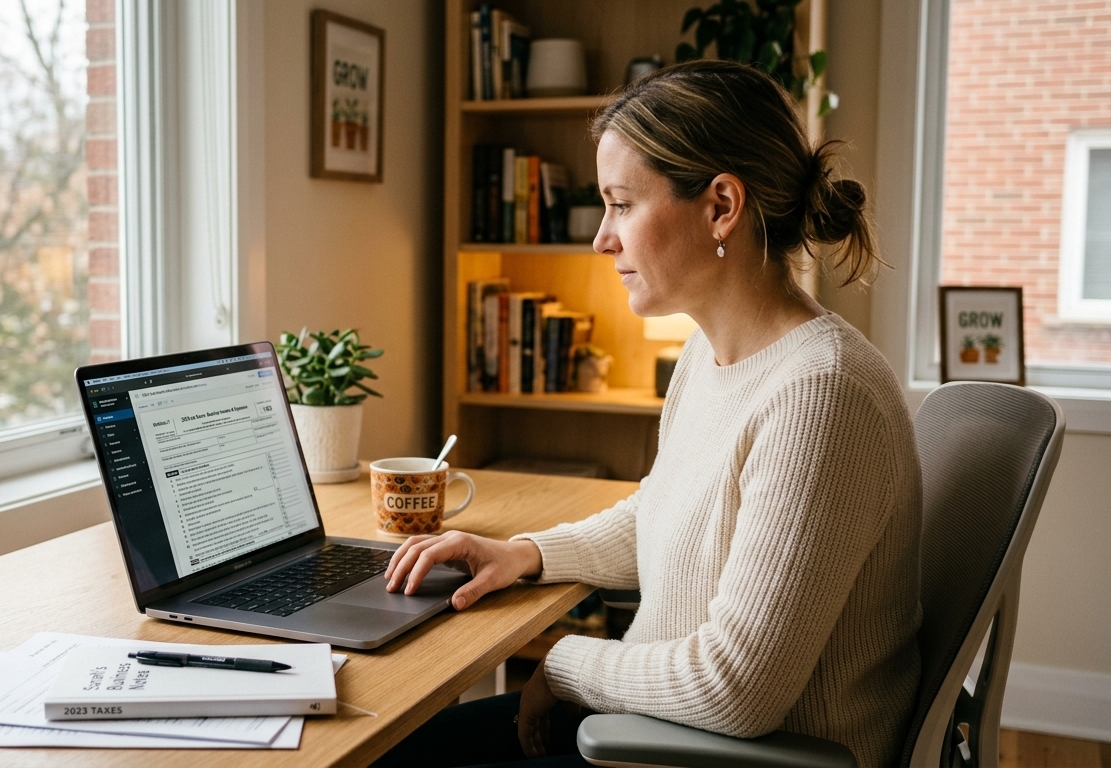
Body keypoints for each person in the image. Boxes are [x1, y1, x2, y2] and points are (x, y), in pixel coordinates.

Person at [375, 59, 922, 768]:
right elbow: (662, 514)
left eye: (623, 204)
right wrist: (524, 553)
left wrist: (568, 665)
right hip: (659, 730)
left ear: (721, 206)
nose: (603, 238)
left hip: (723, 753)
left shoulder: (821, 397)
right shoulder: (710, 352)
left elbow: (734, 688)